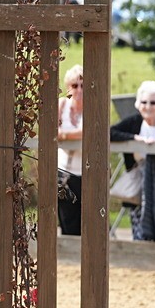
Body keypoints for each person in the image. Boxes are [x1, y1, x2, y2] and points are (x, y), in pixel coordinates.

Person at [109, 81, 155, 241]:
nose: (148, 107)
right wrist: (136, 138)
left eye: (153, 102)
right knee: (140, 231)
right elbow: (110, 133)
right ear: (138, 103)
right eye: (144, 102)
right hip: (139, 186)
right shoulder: (133, 123)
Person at [56, 64, 85, 236]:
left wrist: (65, 135)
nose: (79, 89)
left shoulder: (94, 107)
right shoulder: (61, 105)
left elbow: (93, 132)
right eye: (75, 85)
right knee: (67, 220)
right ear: (68, 87)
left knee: (86, 220)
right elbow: (51, 132)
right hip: (63, 171)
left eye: (83, 85)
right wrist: (77, 134)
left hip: (86, 172)